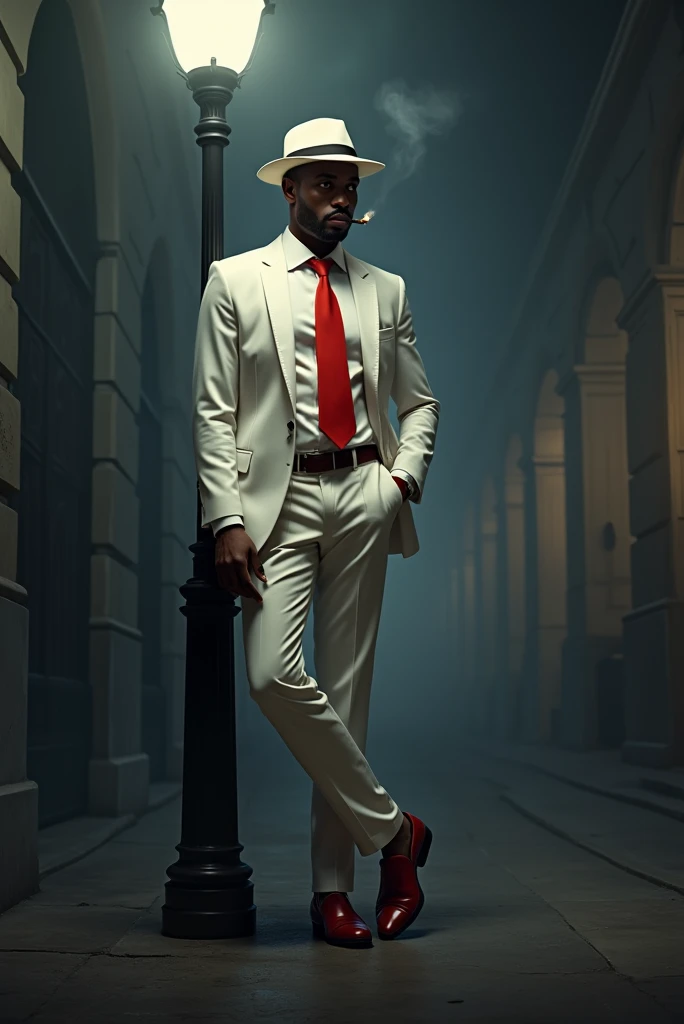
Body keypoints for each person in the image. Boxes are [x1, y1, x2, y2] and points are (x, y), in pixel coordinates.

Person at [191, 117, 440, 948]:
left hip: (365, 493)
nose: (341, 197)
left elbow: (423, 402)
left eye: (351, 184)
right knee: (271, 677)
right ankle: (398, 837)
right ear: (290, 187)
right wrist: (225, 516)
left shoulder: (385, 288)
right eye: (325, 183)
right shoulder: (236, 280)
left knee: (347, 699)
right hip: (279, 501)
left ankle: (333, 893)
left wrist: (401, 479)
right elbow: (214, 411)